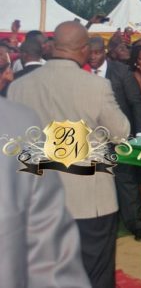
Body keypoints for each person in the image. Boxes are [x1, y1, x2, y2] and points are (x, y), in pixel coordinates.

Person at [8, 21, 130, 288]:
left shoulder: (19, 87)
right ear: (84, 50)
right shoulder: (95, 86)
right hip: (89, 200)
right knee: (95, 274)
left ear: (52, 47)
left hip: (37, 200)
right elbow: (120, 132)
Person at [0, 98, 91, 287]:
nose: (7, 74)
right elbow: (121, 129)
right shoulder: (16, 120)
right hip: (84, 184)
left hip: (47, 190)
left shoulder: (19, 94)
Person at [88, 37, 141, 242]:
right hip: (93, 139)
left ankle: (136, 225)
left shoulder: (121, 72)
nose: (93, 57)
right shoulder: (82, 73)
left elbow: (136, 102)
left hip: (121, 135)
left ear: (104, 52)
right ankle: (105, 225)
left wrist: (138, 134)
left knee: (126, 180)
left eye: (96, 53)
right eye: (90, 53)